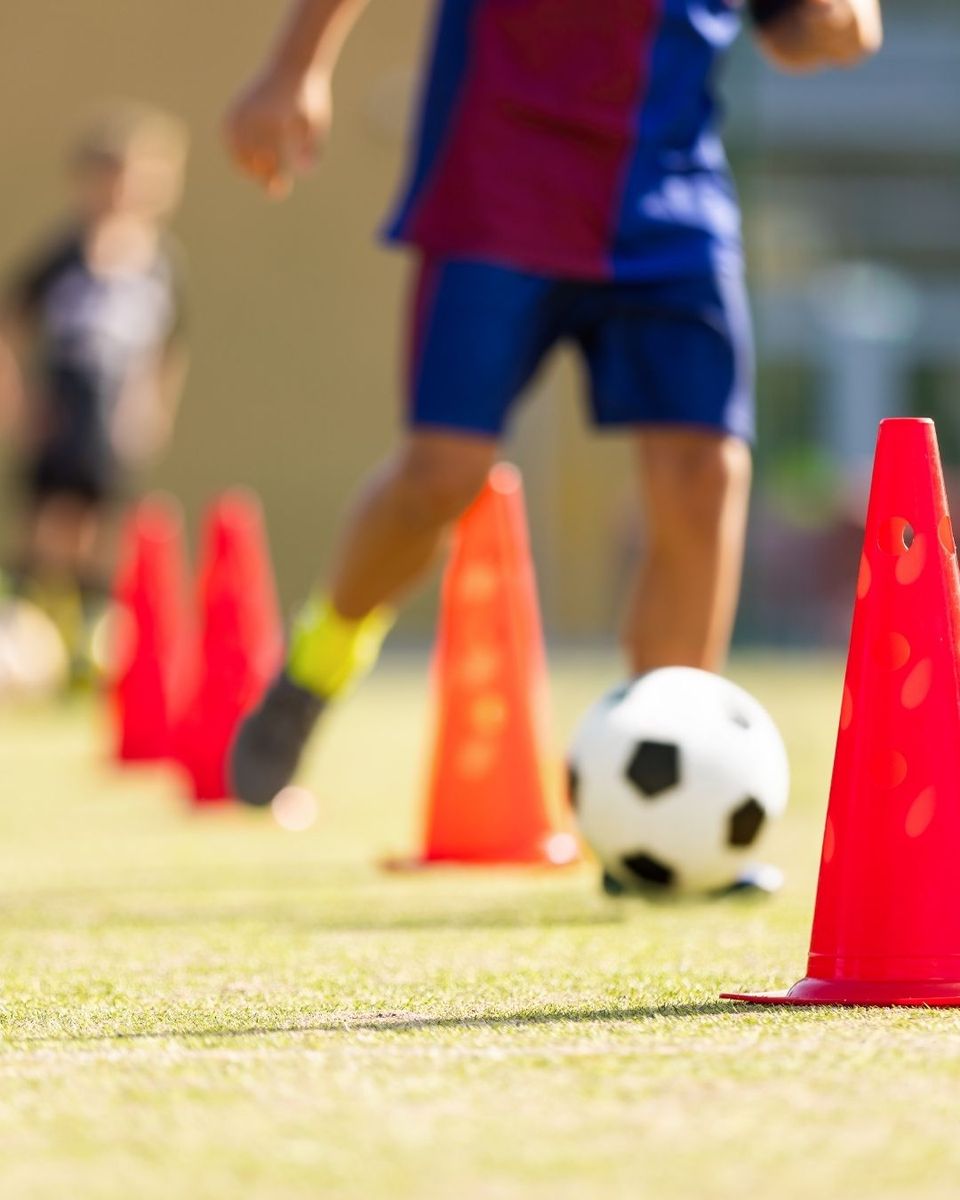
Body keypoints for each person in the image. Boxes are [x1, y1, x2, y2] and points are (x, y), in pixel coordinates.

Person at [222, 0, 882, 806]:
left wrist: (837, 18)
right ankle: (315, 666)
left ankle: (677, 777)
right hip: (500, 179)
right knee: (439, 479)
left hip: (669, 194)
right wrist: (294, 68)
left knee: (704, 472)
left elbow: (793, 31)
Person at [0, 102, 189, 680]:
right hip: (64, 402)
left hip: (114, 409)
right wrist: (17, 399)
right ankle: (22, 621)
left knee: (99, 522)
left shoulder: (160, 265)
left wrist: (154, 406)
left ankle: (87, 634)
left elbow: (170, 347)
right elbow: (11, 320)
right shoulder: (64, 255)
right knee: (50, 518)